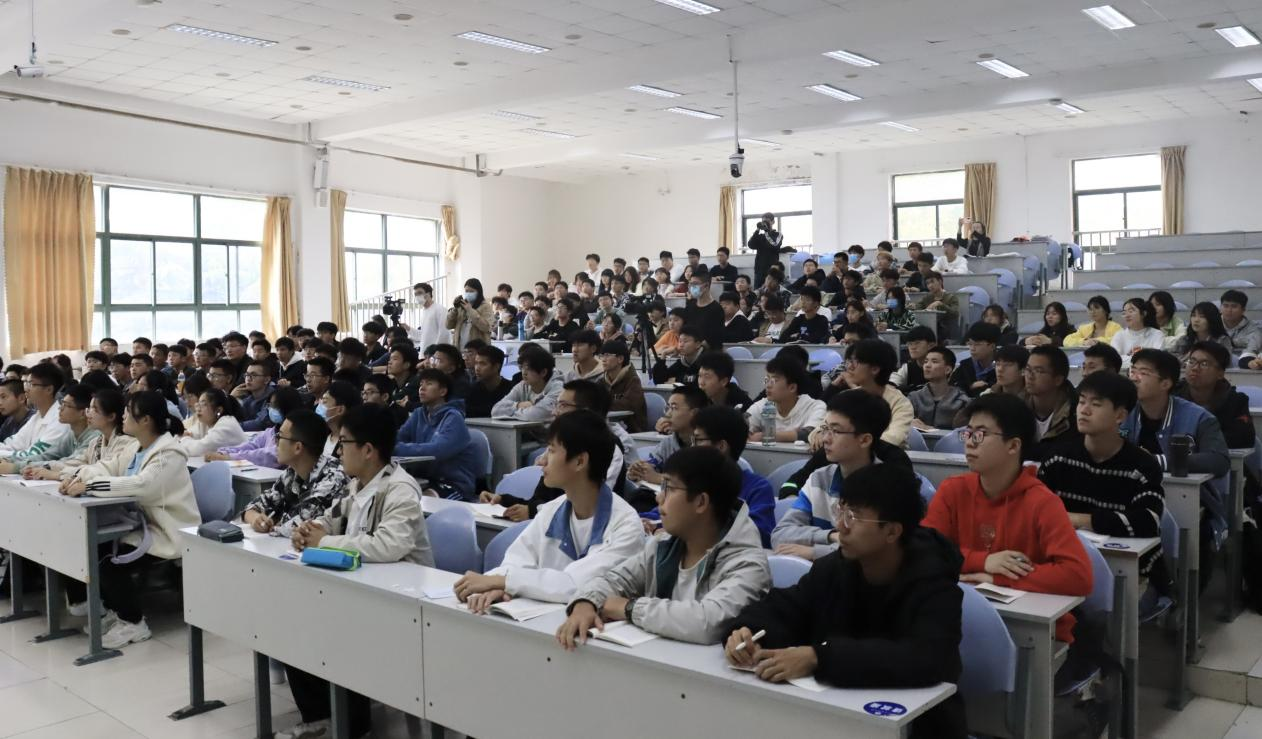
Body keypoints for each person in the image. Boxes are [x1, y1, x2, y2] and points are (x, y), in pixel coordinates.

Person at [727, 461, 967, 739]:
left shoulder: (935, 583)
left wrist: (819, 658)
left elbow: (926, 658)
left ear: (892, 531)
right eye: (841, 511)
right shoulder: (835, 567)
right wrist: (747, 630)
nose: (840, 526)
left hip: (919, 724)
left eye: (853, 517)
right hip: (836, 715)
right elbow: (786, 606)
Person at [287, 404, 431, 739]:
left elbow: (388, 545)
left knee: (339, 632)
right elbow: (331, 518)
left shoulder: (400, 489)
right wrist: (310, 530)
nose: (338, 451)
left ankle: (353, 725)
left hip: (403, 600)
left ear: (368, 450)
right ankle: (322, 715)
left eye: (344, 443)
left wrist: (325, 542)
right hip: (363, 586)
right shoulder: (359, 485)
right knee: (291, 625)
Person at [922, 394, 1093, 645]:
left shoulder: (1042, 502)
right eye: (967, 433)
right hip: (958, 620)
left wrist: (997, 577)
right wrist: (983, 561)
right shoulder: (953, 490)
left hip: (1035, 632)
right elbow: (924, 552)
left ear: (1013, 446)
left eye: (980, 434)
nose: (969, 443)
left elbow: (1078, 576)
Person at [559, 445, 771, 648]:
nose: (659, 497)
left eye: (669, 488)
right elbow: (615, 580)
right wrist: (586, 603)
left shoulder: (747, 563)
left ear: (701, 502)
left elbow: (707, 621)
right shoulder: (664, 544)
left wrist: (629, 608)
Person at [455, 410, 645, 611]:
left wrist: (503, 582)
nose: (542, 460)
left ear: (579, 461)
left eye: (552, 451)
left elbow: (577, 585)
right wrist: (498, 586)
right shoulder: (552, 510)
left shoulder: (626, 526)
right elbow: (516, 560)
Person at [62, 391, 201, 648]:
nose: (124, 416)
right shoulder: (137, 447)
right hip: (142, 525)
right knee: (95, 548)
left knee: (109, 562)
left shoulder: (169, 454)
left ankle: (134, 623)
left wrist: (89, 486)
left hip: (169, 531)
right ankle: (117, 610)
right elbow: (108, 466)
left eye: (128, 412)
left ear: (145, 420)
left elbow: (142, 486)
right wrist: (78, 477)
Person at [1038, 371, 1166, 582]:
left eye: (1096, 404)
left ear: (1120, 416)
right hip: (1065, 561)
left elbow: (1148, 521)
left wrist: (1079, 520)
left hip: (1136, 573)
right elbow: (1035, 511)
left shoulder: (1142, 466)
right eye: (1081, 402)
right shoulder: (1057, 458)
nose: (1084, 410)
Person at [773, 389, 903, 559]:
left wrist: (815, 552)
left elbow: (873, 549)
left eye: (835, 431)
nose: (825, 439)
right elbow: (780, 535)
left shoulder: (888, 487)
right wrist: (831, 536)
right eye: (825, 428)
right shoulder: (819, 479)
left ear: (865, 440)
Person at [1122, 349, 1231, 539]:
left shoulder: (1199, 417)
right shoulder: (1122, 411)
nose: (1134, 378)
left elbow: (1219, 460)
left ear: (1165, 383)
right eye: (1132, 371)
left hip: (1185, 499)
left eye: (1143, 373)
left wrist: (1157, 461)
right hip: (1129, 494)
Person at [641, 406, 777, 547]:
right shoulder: (691, 482)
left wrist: (682, 533)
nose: (692, 447)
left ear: (721, 446)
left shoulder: (757, 488)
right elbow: (658, 514)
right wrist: (645, 522)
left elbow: (759, 534)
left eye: (698, 440)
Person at [241, 409, 349, 537]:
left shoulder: (333, 478)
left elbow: (297, 527)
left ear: (297, 447)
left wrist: (273, 525)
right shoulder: (291, 472)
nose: (275, 442)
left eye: (279, 437)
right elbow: (255, 505)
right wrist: (255, 518)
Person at [396, 369, 482, 501]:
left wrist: (395, 448)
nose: (422, 388)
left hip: (453, 484)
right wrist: (385, 445)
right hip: (425, 480)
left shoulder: (454, 417)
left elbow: (437, 451)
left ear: (443, 391)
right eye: (421, 384)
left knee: (418, 502)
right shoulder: (418, 414)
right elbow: (398, 438)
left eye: (429, 384)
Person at [825, 339, 913, 448]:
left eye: (855, 362)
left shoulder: (900, 403)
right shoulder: (845, 397)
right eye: (849, 361)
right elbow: (822, 427)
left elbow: (893, 438)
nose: (849, 367)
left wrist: (853, 446)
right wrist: (818, 433)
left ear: (875, 369)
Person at [0, 384, 100, 475]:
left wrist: (16, 467)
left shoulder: (94, 438)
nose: (60, 408)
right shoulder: (71, 434)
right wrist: (10, 460)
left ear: (83, 413)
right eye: (62, 404)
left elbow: (69, 464)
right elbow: (47, 455)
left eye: (66, 405)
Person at [1177, 341, 1257, 450]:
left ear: (1220, 373)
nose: (1195, 368)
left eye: (1204, 364)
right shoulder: (1173, 395)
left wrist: (1194, 441)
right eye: (1191, 361)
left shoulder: (1235, 401)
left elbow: (1245, 438)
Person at [207, 387, 306, 469]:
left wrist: (230, 457)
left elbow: (267, 454)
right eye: (269, 405)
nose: (270, 409)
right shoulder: (271, 431)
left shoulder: (297, 433)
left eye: (274, 405)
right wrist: (224, 452)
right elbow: (251, 445)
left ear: (287, 407)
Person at [632, 385, 707, 485]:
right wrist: (638, 471)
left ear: (694, 413)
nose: (668, 414)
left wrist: (658, 478)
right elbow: (651, 466)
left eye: (674, 408)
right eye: (668, 408)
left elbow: (699, 482)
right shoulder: (668, 443)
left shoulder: (708, 445)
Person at [745, 356, 826, 443]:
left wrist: (766, 436)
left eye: (775, 380)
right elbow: (741, 428)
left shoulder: (815, 407)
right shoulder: (761, 406)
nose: (768, 385)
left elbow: (812, 434)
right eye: (767, 379)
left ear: (792, 387)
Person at [0, 363, 71, 461]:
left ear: (49, 389)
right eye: (26, 383)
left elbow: (33, 455)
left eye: (32, 384)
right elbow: (13, 443)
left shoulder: (60, 421)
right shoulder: (37, 416)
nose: (26, 389)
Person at [1024, 346, 1078, 458]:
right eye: (1028, 369)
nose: (1030, 376)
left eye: (1038, 371)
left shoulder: (1075, 414)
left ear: (1058, 380)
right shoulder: (1016, 408)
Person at [492, 347, 564, 421]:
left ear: (543, 372)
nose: (524, 373)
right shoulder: (523, 385)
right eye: (522, 368)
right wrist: (518, 405)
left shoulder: (558, 389)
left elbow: (537, 415)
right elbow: (496, 410)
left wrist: (510, 413)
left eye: (528, 368)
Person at [910, 346, 970, 431]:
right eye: (926, 361)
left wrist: (930, 429)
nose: (927, 365)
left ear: (948, 370)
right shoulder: (914, 398)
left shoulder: (962, 401)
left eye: (934, 361)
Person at [180, 388, 246, 457]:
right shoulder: (205, 422)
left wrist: (184, 438)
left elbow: (199, 449)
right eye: (198, 404)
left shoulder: (227, 425)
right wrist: (185, 436)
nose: (198, 409)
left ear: (218, 410)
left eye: (203, 404)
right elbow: (189, 434)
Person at [598, 340, 647, 433]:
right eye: (602, 355)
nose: (603, 359)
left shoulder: (633, 380)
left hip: (631, 430)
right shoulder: (601, 381)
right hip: (607, 428)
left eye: (607, 355)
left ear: (620, 359)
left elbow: (629, 405)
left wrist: (601, 404)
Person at [950, 322, 999, 396]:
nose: (972, 348)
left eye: (977, 344)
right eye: (970, 344)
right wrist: (970, 386)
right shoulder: (965, 365)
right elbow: (952, 387)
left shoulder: (1002, 367)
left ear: (992, 346)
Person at [1111, 297, 1165, 362]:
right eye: (1124, 313)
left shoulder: (1157, 334)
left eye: (1131, 311)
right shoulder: (1119, 335)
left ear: (1144, 314)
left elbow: (1156, 358)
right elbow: (1114, 359)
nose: (1127, 315)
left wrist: (1126, 358)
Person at [317, 381, 362, 457]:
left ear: (340, 410)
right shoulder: (320, 436)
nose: (319, 406)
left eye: (324, 401)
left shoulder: (351, 444)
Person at [684, 267, 725, 350]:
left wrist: (694, 348)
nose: (692, 287)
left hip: (709, 354)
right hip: (690, 351)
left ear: (706, 286)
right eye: (690, 284)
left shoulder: (716, 309)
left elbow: (713, 339)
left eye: (695, 284)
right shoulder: (690, 306)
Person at [466, 344, 512, 419]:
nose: (477, 368)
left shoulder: (511, 389)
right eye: (476, 363)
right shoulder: (472, 389)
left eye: (483, 364)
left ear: (496, 367)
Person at [230, 358, 276, 432]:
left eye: (254, 375)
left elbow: (260, 424)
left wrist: (231, 427)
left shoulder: (274, 398)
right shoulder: (247, 398)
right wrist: (231, 398)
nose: (248, 379)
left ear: (267, 380)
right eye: (247, 375)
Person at [1219, 289, 1262, 368]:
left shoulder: (1254, 330)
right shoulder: (1211, 324)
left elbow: (1251, 351)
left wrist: (1250, 363)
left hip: (1242, 366)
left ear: (1243, 310)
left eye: (1234, 306)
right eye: (1225, 306)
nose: (1229, 310)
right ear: (1220, 308)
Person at [447, 278, 494, 346]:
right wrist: (455, 309)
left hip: (478, 349)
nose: (468, 293)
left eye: (471, 291)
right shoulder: (461, 307)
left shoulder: (485, 306)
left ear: (478, 292)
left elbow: (486, 328)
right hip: (460, 348)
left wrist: (470, 310)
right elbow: (448, 325)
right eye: (466, 291)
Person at [914, 272, 960, 338]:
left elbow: (955, 313)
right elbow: (918, 307)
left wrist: (941, 304)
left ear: (940, 282)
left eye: (932, 282)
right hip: (930, 329)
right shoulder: (927, 298)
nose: (930, 285)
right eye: (927, 283)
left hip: (947, 330)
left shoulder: (951, 297)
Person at [890, 325, 935, 392]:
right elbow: (891, 384)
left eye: (917, 343)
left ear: (931, 345)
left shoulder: (943, 366)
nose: (913, 347)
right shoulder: (907, 368)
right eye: (910, 344)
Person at [747, 212, 784, 287]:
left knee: (771, 290)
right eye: (763, 221)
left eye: (768, 221)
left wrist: (767, 232)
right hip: (759, 270)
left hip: (772, 270)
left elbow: (774, 245)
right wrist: (757, 230)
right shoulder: (760, 236)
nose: (765, 223)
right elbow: (751, 245)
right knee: (757, 291)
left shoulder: (778, 234)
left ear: (773, 222)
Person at [0, 378, 34, 443]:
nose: (0, 402)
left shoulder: (33, 420)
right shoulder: (9, 421)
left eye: (3, 397)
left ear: (21, 398)